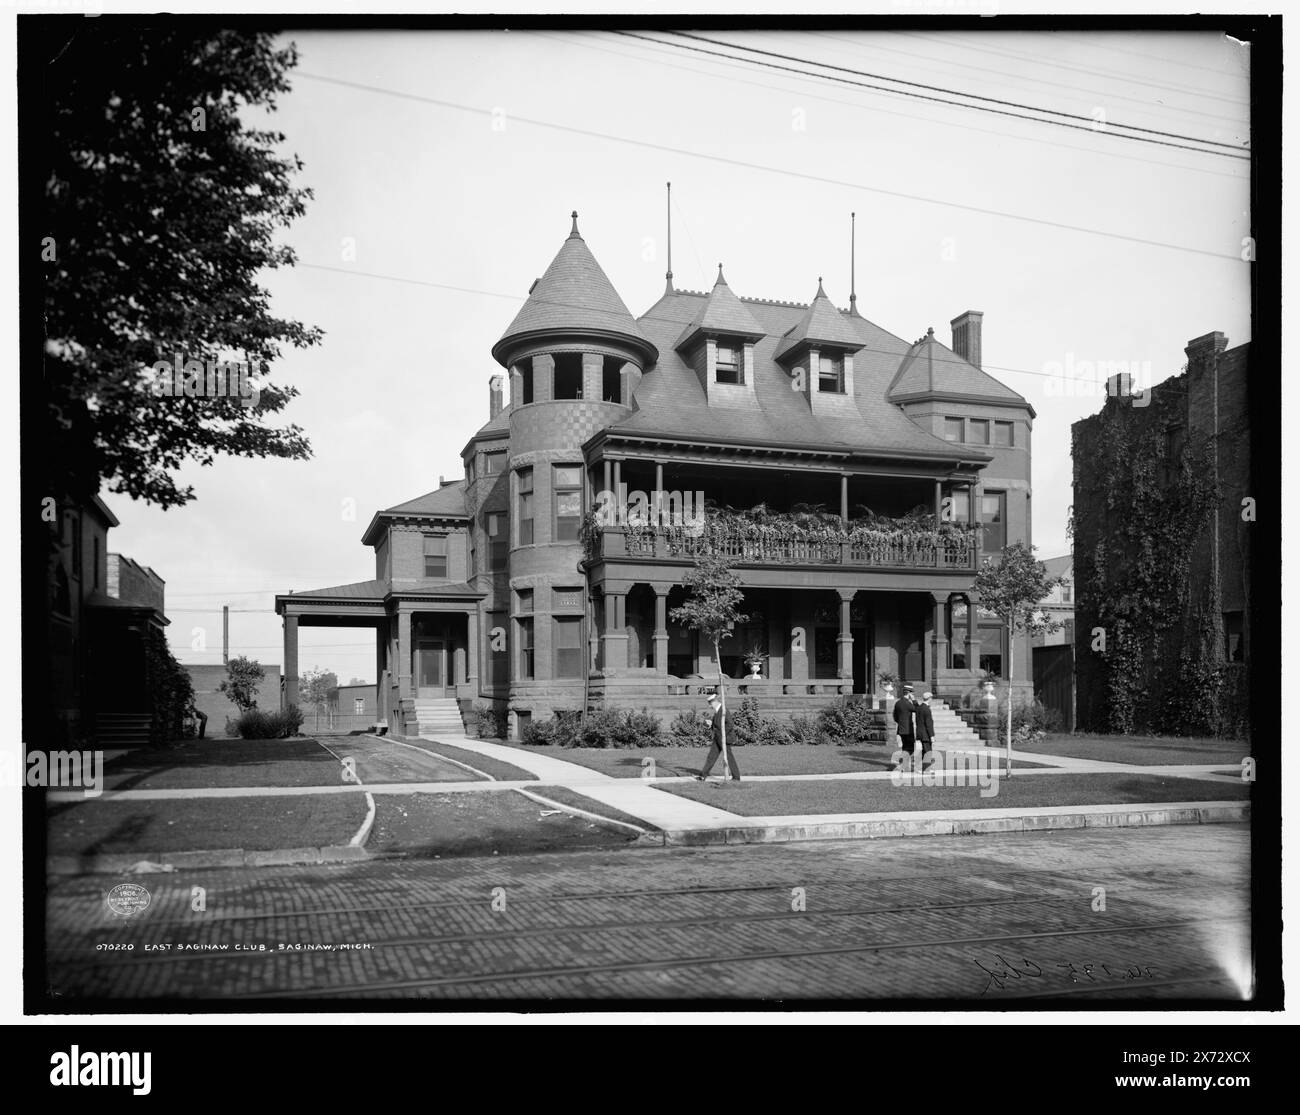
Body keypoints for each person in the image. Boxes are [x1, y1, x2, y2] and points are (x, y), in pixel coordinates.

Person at [696, 691, 741, 782]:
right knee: (711, 756)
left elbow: (730, 724)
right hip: (718, 738)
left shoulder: (723, 710)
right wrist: (711, 724)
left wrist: (723, 735)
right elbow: (719, 725)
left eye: (710, 703)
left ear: (714, 702)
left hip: (725, 738)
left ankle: (736, 777)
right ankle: (703, 775)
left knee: (729, 757)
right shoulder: (717, 711)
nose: (709, 706)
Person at [892, 682, 917, 770]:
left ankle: (904, 765)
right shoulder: (908, 703)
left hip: (901, 729)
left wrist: (900, 723)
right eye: (912, 693)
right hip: (908, 730)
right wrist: (914, 700)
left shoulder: (898, 703)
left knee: (905, 747)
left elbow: (894, 716)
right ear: (909, 693)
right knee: (910, 748)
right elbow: (917, 709)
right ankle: (902, 764)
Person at [915, 691, 936, 770]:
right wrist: (931, 735)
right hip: (926, 734)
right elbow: (929, 724)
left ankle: (925, 768)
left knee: (925, 751)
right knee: (928, 752)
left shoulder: (919, 708)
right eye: (931, 698)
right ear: (929, 698)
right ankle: (926, 768)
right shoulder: (926, 709)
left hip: (920, 732)